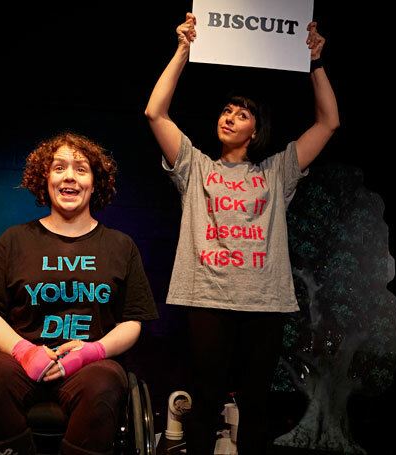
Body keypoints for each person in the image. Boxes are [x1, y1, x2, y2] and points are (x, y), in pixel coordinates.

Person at [144, 13, 339, 454]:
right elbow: (155, 112)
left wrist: (316, 63)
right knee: (206, 399)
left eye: (242, 113)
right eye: (227, 110)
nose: (231, 117)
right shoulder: (196, 167)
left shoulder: (276, 171)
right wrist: (183, 51)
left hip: (264, 303)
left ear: (256, 130)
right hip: (208, 300)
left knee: (255, 405)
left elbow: (328, 124)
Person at [0, 132, 158, 455]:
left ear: (95, 183)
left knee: (105, 385)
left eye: (81, 169)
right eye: (59, 168)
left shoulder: (120, 246)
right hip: (20, 361)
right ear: (45, 179)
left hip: (90, 364)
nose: (69, 176)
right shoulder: (15, 240)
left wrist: (91, 352)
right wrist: (25, 352)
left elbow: (133, 321)